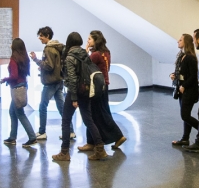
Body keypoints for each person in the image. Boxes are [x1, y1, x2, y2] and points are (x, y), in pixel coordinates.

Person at [51, 32, 107, 162]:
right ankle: (100, 148)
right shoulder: (84, 53)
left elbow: (72, 78)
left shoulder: (70, 57)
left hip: (75, 92)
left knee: (65, 120)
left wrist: (74, 98)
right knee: (88, 120)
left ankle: (64, 152)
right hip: (86, 91)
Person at [81, 30, 126, 151]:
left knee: (96, 114)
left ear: (96, 40)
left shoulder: (95, 55)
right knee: (100, 112)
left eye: (90, 39)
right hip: (104, 85)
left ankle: (118, 136)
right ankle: (92, 141)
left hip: (96, 86)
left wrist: (85, 50)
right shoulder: (106, 52)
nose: (88, 41)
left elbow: (84, 65)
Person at [29, 26, 67, 140]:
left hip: (50, 82)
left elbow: (49, 66)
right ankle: (70, 131)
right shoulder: (57, 47)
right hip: (59, 81)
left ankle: (42, 132)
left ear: (47, 36)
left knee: (42, 106)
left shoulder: (48, 49)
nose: (39, 38)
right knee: (62, 108)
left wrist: (36, 60)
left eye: (41, 35)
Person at [1, 38, 37, 147]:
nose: (10, 46)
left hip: (16, 88)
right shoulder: (24, 58)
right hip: (22, 86)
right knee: (12, 112)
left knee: (20, 113)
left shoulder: (13, 60)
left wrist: (5, 79)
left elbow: (14, 76)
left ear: (15, 47)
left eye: (12, 44)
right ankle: (12, 137)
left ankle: (32, 137)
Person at [170, 33, 199, 146]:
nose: (178, 41)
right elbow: (181, 72)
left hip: (189, 90)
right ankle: (185, 138)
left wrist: (184, 85)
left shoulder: (190, 58)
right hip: (182, 89)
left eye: (181, 40)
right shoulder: (181, 56)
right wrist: (173, 75)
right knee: (185, 115)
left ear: (186, 42)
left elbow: (193, 76)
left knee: (185, 115)